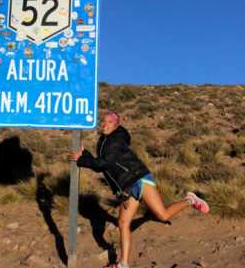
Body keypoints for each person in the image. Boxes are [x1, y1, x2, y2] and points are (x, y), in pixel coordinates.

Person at [71, 111, 209, 268]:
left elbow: (104, 163)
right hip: (127, 187)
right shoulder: (104, 141)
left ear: (116, 125)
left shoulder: (114, 141)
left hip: (138, 179)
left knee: (163, 215)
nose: (105, 124)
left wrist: (82, 160)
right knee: (123, 223)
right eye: (103, 121)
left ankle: (190, 199)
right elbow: (101, 165)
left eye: (109, 122)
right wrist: (86, 155)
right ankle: (123, 264)